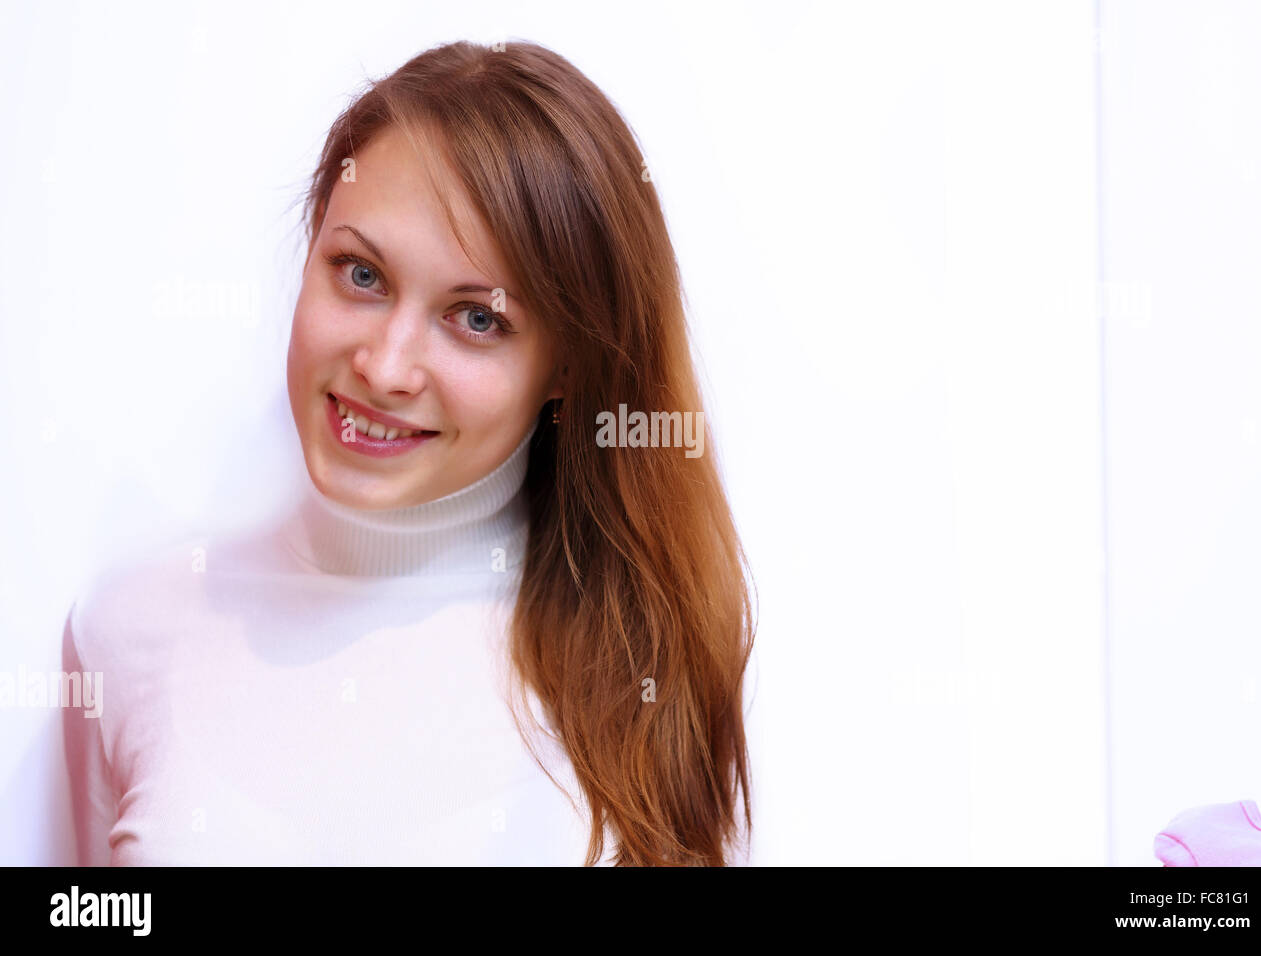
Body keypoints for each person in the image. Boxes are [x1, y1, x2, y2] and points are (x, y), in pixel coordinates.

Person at [62, 39, 755, 866]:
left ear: (569, 366)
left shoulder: (649, 663)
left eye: (476, 319)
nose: (385, 368)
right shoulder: (128, 630)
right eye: (360, 274)